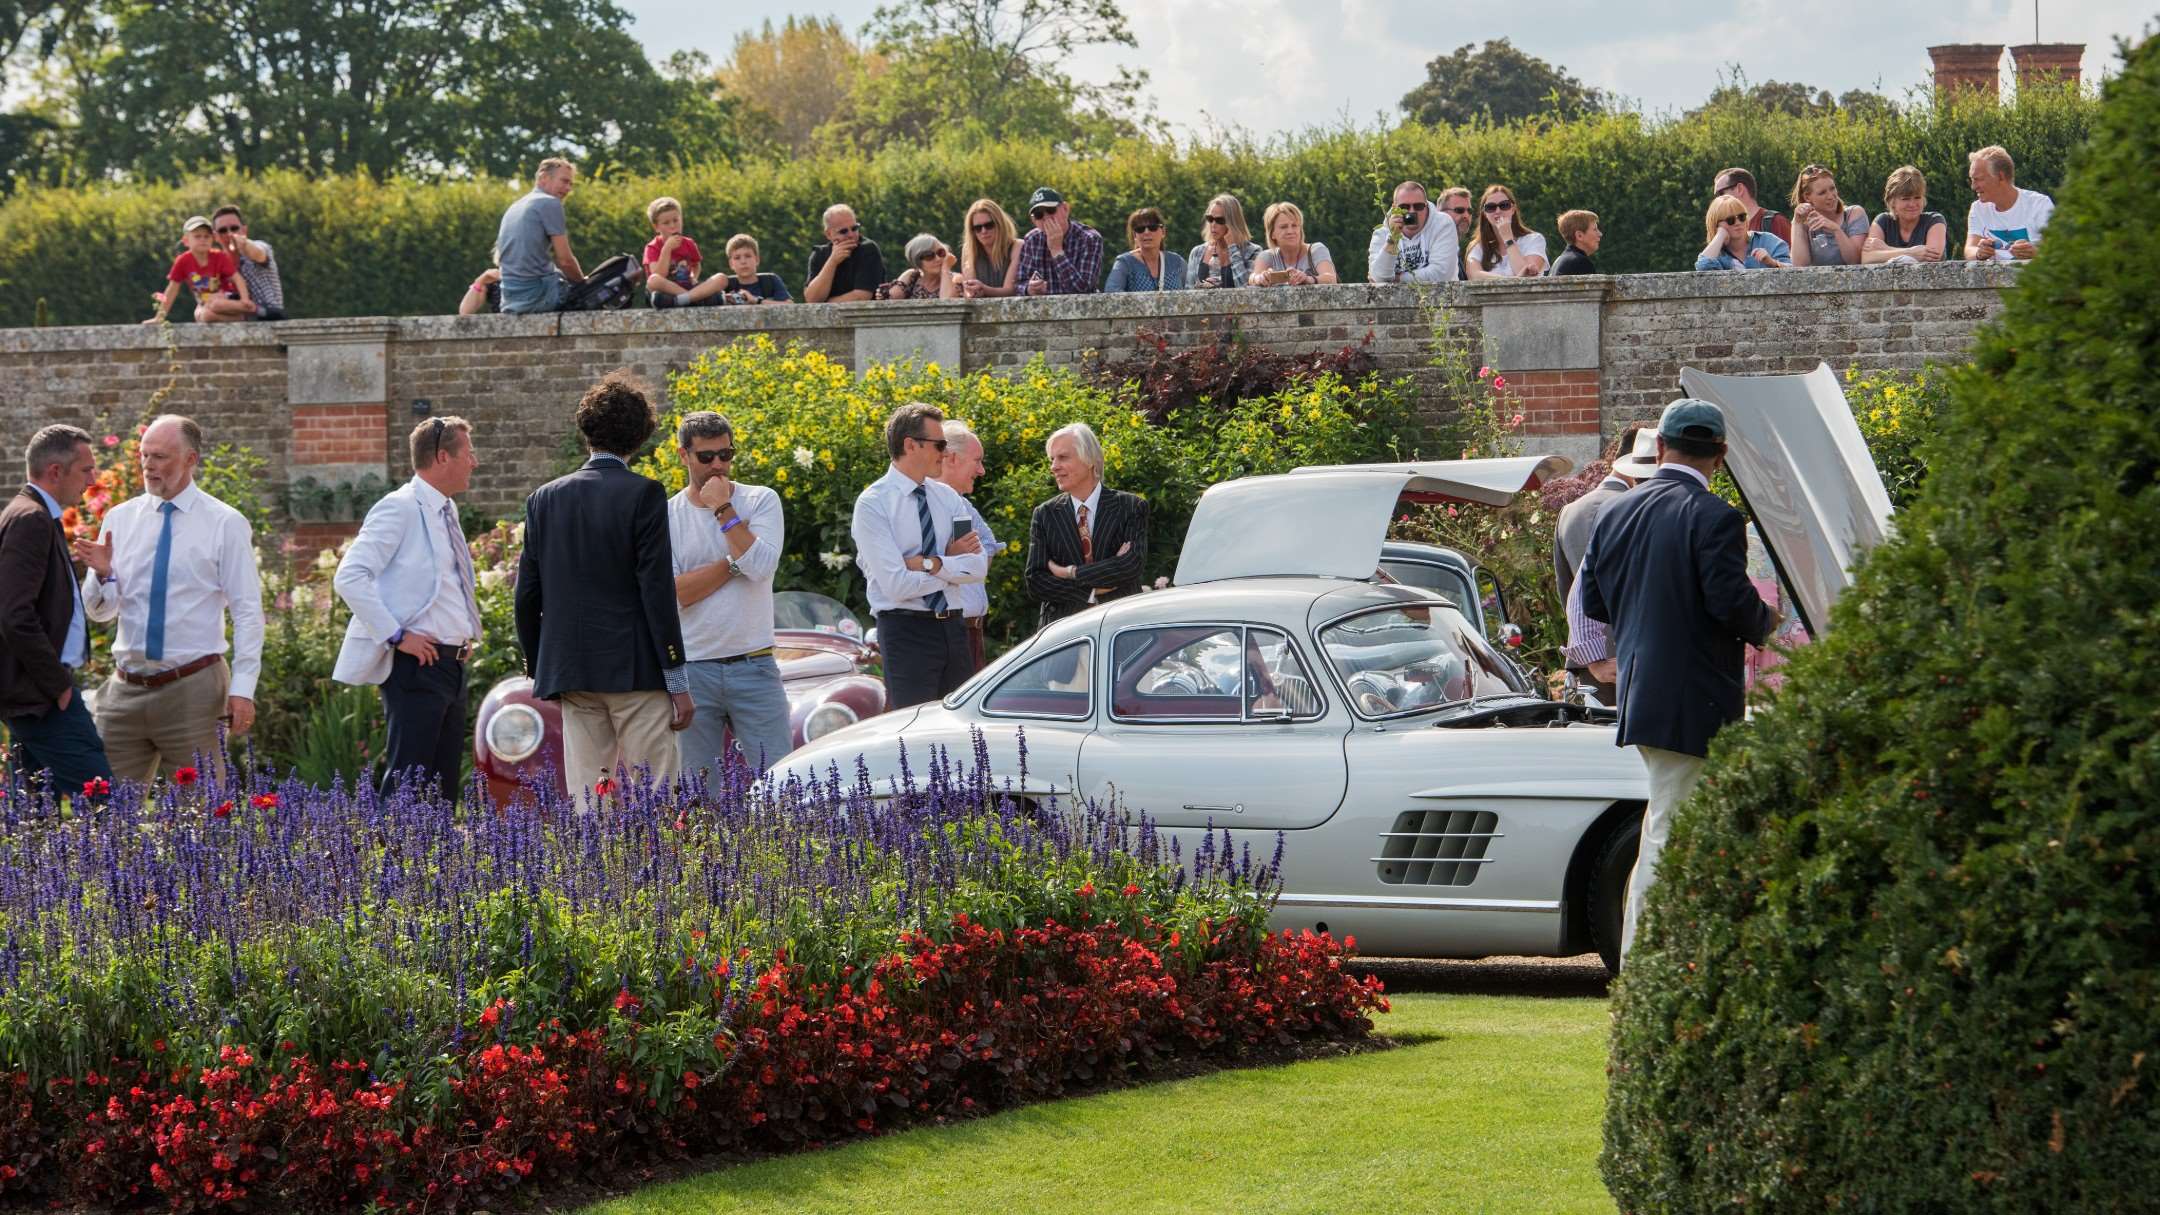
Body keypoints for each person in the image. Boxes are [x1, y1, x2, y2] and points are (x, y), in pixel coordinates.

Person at [1579, 399, 1779, 962]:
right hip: (1696, 701)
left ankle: (1667, 959)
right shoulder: (1715, 517)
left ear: (1661, 446)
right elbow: (1730, 603)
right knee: (1668, 834)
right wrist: (1766, 619)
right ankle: (1642, 968)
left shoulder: (1615, 512)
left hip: (1642, 694)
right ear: (1721, 454)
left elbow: (1593, 601)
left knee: (1665, 825)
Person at [515, 373, 694, 796]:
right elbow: (656, 591)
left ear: (587, 431)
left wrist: (540, 664)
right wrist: (677, 679)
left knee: (589, 801)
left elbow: (527, 595)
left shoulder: (544, 498)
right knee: (656, 798)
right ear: (639, 437)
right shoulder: (644, 494)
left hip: (572, 669)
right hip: (635, 669)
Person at [73, 415, 263, 783]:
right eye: (144, 455)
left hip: (193, 691)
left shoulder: (225, 523)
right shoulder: (120, 519)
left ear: (191, 459)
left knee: (199, 810)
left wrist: (243, 688)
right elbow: (100, 612)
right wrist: (102, 574)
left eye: (160, 456)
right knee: (103, 807)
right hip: (124, 690)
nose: (148, 465)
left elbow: (248, 612)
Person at [330, 416, 484, 802]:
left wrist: (460, 635)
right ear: (443, 456)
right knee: (408, 790)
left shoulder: (446, 510)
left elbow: (442, 585)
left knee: (442, 793)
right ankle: (394, 845)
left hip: (450, 665)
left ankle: (437, 847)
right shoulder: (398, 508)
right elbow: (350, 576)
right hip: (416, 667)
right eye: (468, 453)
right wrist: (397, 636)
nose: (474, 462)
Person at [668, 411, 791, 775]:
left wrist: (723, 508)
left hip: (755, 664)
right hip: (694, 669)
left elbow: (761, 567)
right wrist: (735, 561)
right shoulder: (667, 515)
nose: (718, 464)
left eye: (726, 454)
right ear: (684, 455)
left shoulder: (761, 499)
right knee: (697, 794)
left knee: (780, 783)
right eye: (706, 456)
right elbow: (676, 594)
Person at [850, 403, 987, 708]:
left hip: (954, 629)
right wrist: (950, 570)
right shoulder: (873, 504)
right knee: (914, 729)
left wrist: (930, 563)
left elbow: (978, 569)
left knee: (960, 728)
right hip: (906, 633)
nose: (945, 453)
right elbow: (896, 586)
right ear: (910, 445)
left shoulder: (948, 498)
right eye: (939, 444)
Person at [1, 425, 114, 795]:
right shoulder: (30, 518)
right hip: (41, 697)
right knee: (105, 801)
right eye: (86, 470)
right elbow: (15, 615)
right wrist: (58, 685)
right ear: (55, 471)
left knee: (34, 812)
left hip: (34, 695)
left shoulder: (31, 514)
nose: (92, 480)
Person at [1555, 426, 1653, 704]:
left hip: (1588, 662)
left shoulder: (1569, 512)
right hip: (1637, 654)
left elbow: (1567, 588)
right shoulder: (1637, 508)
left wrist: (1588, 653)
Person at [1025, 422, 1148, 629]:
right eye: (1052, 459)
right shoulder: (1045, 514)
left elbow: (1130, 565)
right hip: (1063, 631)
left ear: (1089, 459)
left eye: (1063, 457)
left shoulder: (1130, 506)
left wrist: (1070, 573)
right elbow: (1036, 582)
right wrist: (1090, 591)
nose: (1054, 466)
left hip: (1120, 627)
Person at [933, 419, 1003, 672]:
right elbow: (924, 564)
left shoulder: (963, 505)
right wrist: (955, 560)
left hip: (969, 631)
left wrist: (963, 562)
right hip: (945, 631)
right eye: (977, 461)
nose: (982, 471)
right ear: (952, 458)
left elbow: (986, 549)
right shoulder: (922, 503)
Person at [495, 158, 585, 315]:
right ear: (543, 178)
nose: (568, 188)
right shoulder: (550, 203)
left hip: (509, 300)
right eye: (564, 181)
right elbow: (565, 261)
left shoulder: (515, 206)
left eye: (571, 184)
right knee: (602, 290)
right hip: (538, 297)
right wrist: (583, 283)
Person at [144, 216, 253, 325]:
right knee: (204, 316)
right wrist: (159, 317)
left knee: (216, 304)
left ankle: (247, 307)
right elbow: (172, 289)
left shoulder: (219, 257)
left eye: (207, 236)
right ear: (186, 241)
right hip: (204, 303)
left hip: (224, 298)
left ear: (212, 238)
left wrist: (245, 299)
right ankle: (239, 317)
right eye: (197, 236)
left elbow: (237, 278)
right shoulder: (183, 261)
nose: (203, 240)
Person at [1964, 145, 2052, 264]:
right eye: (1972, 179)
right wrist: (1979, 253)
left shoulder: (2039, 204)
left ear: (2000, 177)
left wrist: (2036, 252)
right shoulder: (1977, 208)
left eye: (1978, 179)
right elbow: (1969, 250)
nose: (1973, 186)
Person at [1012, 187, 1106, 296]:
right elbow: (1018, 284)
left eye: (1051, 210)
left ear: (1065, 209)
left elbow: (1083, 290)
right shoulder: (1031, 239)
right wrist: (1029, 289)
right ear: (1034, 220)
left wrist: (1057, 251)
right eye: (1039, 215)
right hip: (1044, 306)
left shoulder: (1089, 238)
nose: (1046, 218)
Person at [643, 196, 732, 309]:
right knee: (653, 280)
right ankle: (698, 299)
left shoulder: (689, 243)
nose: (672, 226)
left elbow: (696, 265)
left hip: (687, 288)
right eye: (666, 223)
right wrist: (666, 249)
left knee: (722, 278)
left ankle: (683, 300)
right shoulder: (652, 247)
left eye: (676, 220)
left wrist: (693, 277)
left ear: (681, 220)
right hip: (664, 292)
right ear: (656, 227)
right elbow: (659, 275)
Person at [1368, 181, 1461, 285]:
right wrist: (1393, 238)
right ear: (1394, 208)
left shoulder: (1442, 224)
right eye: (1404, 207)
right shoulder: (1382, 233)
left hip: (1441, 295)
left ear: (1426, 206)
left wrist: (1398, 279)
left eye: (1418, 206)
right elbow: (1379, 278)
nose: (1412, 211)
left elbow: (1441, 274)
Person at [210, 206, 286, 321]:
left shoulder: (260, 246)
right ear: (215, 236)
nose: (229, 234)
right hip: (238, 319)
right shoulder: (216, 264)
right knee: (204, 312)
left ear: (244, 230)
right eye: (223, 230)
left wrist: (244, 245)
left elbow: (259, 254)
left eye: (234, 228)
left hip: (270, 317)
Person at [1862, 166, 1948, 265]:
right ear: (1892, 201)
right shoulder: (1883, 221)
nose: (1912, 204)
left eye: (1917, 197)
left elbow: (1932, 257)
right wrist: (1912, 253)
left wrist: (1884, 249)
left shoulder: (1934, 220)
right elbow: (1867, 258)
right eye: (1905, 199)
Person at [1787, 165, 1870, 268]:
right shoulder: (1803, 223)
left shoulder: (1854, 213)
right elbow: (1799, 266)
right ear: (1807, 197)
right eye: (1822, 193)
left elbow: (1855, 261)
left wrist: (1836, 229)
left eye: (1832, 188)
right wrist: (1797, 223)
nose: (1831, 196)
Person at [804, 204, 885, 303]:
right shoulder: (819, 254)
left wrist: (825, 305)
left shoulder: (867, 249)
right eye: (843, 231)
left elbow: (861, 297)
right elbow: (812, 299)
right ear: (829, 234)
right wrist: (832, 262)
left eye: (854, 228)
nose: (851, 235)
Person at [1465, 185, 1549, 279]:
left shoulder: (1534, 240)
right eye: (1491, 207)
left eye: (1504, 205)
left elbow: (1527, 278)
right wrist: (1513, 279)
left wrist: (1508, 238)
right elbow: (1474, 275)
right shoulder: (1477, 246)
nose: (1498, 211)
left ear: (1513, 209)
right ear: (1485, 213)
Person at [1250, 201, 1337, 286]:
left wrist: (1308, 279)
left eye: (1294, 225)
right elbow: (1252, 278)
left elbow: (1331, 279)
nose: (1290, 231)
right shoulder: (1267, 256)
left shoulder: (1316, 250)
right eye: (1283, 227)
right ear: (1272, 233)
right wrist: (1260, 278)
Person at [1187, 193, 1262, 289]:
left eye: (1220, 220)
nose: (1213, 224)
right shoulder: (1197, 252)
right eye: (1210, 219)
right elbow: (1188, 290)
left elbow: (1247, 290)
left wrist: (1233, 248)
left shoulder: (1253, 251)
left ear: (1233, 222)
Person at [1696, 195, 1791, 271]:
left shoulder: (1769, 241)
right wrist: (1720, 235)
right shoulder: (1716, 254)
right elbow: (1703, 267)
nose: (1738, 223)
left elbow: (1794, 271)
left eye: (1742, 217)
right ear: (1716, 225)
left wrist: (1772, 263)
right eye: (1730, 220)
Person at [1102, 207, 1185, 292]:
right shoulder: (1125, 262)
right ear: (1135, 235)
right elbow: (1111, 291)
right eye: (1140, 229)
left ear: (1163, 232)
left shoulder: (1177, 262)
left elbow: (1190, 291)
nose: (1146, 232)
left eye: (1152, 227)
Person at [955, 199, 1022, 298]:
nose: (984, 231)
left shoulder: (1017, 246)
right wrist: (971, 291)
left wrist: (984, 289)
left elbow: (1011, 290)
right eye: (978, 228)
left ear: (1000, 224)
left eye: (989, 225)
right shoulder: (968, 250)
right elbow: (970, 291)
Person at [1712, 167, 1792, 245]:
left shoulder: (1775, 222)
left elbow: (1793, 254)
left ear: (1740, 189)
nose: (1717, 200)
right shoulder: (1726, 231)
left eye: (1720, 193)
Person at [879, 233, 955, 300]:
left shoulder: (955, 280)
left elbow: (947, 303)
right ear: (917, 261)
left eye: (941, 252)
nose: (938, 259)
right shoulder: (912, 276)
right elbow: (890, 299)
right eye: (929, 256)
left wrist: (946, 270)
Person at [719, 235, 791, 303]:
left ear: (757, 260)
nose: (743, 261)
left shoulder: (770, 281)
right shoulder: (724, 285)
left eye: (748, 256)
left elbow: (789, 304)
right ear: (731, 264)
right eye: (737, 258)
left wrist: (756, 300)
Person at [1438, 187, 1475, 279]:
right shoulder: (1434, 248)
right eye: (1459, 210)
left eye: (1469, 211)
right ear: (1440, 213)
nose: (1466, 215)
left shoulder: (1453, 249)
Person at [1551, 210, 1601, 275]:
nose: (1600, 234)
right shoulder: (1580, 262)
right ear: (1579, 235)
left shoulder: (1559, 260)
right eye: (1595, 229)